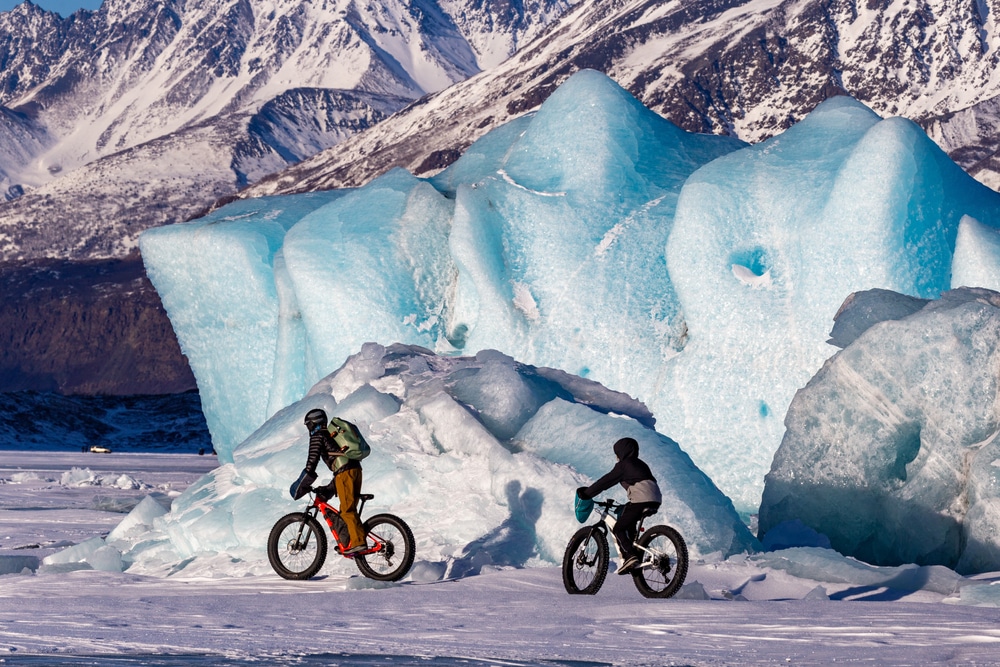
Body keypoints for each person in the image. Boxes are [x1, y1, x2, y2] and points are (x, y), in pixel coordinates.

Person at [576, 437, 662, 575]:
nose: (616, 457)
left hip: (642, 499)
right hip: (655, 498)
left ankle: (630, 556)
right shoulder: (641, 464)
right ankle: (636, 550)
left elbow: (605, 482)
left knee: (618, 528)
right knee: (627, 513)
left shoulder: (624, 465)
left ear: (621, 452)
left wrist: (587, 493)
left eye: (617, 453)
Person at [292, 408, 367, 555]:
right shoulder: (329, 436)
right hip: (355, 470)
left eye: (308, 425)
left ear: (313, 423)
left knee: (347, 511)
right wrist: (330, 488)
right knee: (347, 508)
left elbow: (311, 462)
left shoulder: (318, 436)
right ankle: (349, 542)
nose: (308, 428)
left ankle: (358, 543)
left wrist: (302, 483)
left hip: (345, 472)